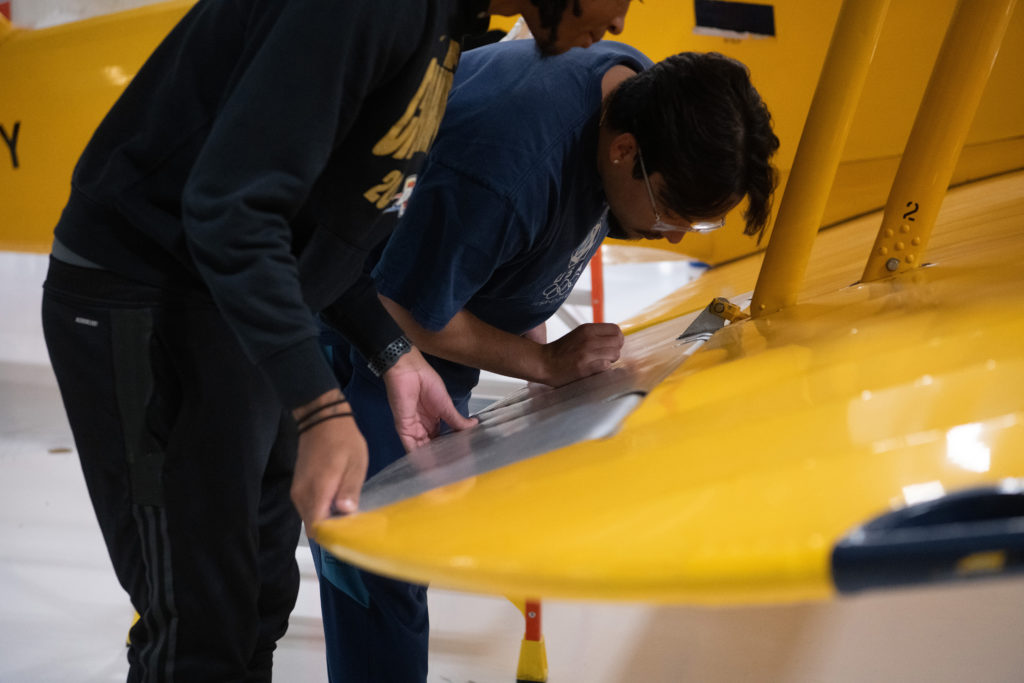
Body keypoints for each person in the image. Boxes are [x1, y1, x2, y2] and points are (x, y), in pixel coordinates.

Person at [39, 0, 637, 680]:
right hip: (147, 293)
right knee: (197, 627)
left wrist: (391, 349)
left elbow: (322, 225)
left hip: (238, 302)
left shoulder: (442, 26)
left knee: (258, 600)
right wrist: (322, 406)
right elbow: (233, 211)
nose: (619, 21)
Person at [312, 38, 780, 681]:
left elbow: (511, 243)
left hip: (434, 303)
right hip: (356, 333)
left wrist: (543, 343)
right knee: (376, 561)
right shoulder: (504, 171)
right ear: (624, 152)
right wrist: (546, 364)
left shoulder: (634, 91)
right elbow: (406, 308)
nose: (672, 235)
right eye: (673, 213)